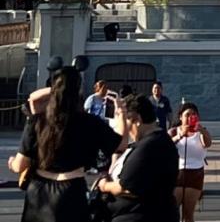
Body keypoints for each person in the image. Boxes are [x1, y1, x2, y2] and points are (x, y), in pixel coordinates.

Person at [8, 64, 126, 220]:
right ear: (78, 90)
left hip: (38, 192)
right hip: (71, 189)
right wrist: (121, 114)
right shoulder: (90, 122)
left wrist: (11, 162)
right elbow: (120, 146)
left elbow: (19, 166)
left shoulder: (38, 121)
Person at [94, 93, 178, 219]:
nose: (125, 128)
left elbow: (125, 187)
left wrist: (104, 185)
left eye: (126, 121)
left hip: (143, 215)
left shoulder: (151, 146)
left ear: (137, 120)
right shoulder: (148, 143)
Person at [169, 103, 211, 222]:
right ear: (181, 117)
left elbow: (207, 143)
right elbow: (165, 146)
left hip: (195, 175)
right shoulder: (173, 132)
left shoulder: (201, 133)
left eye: (194, 115)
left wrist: (201, 130)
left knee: (188, 214)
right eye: (187, 115)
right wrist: (180, 136)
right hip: (176, 175)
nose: (190, 118)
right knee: (171, 212)